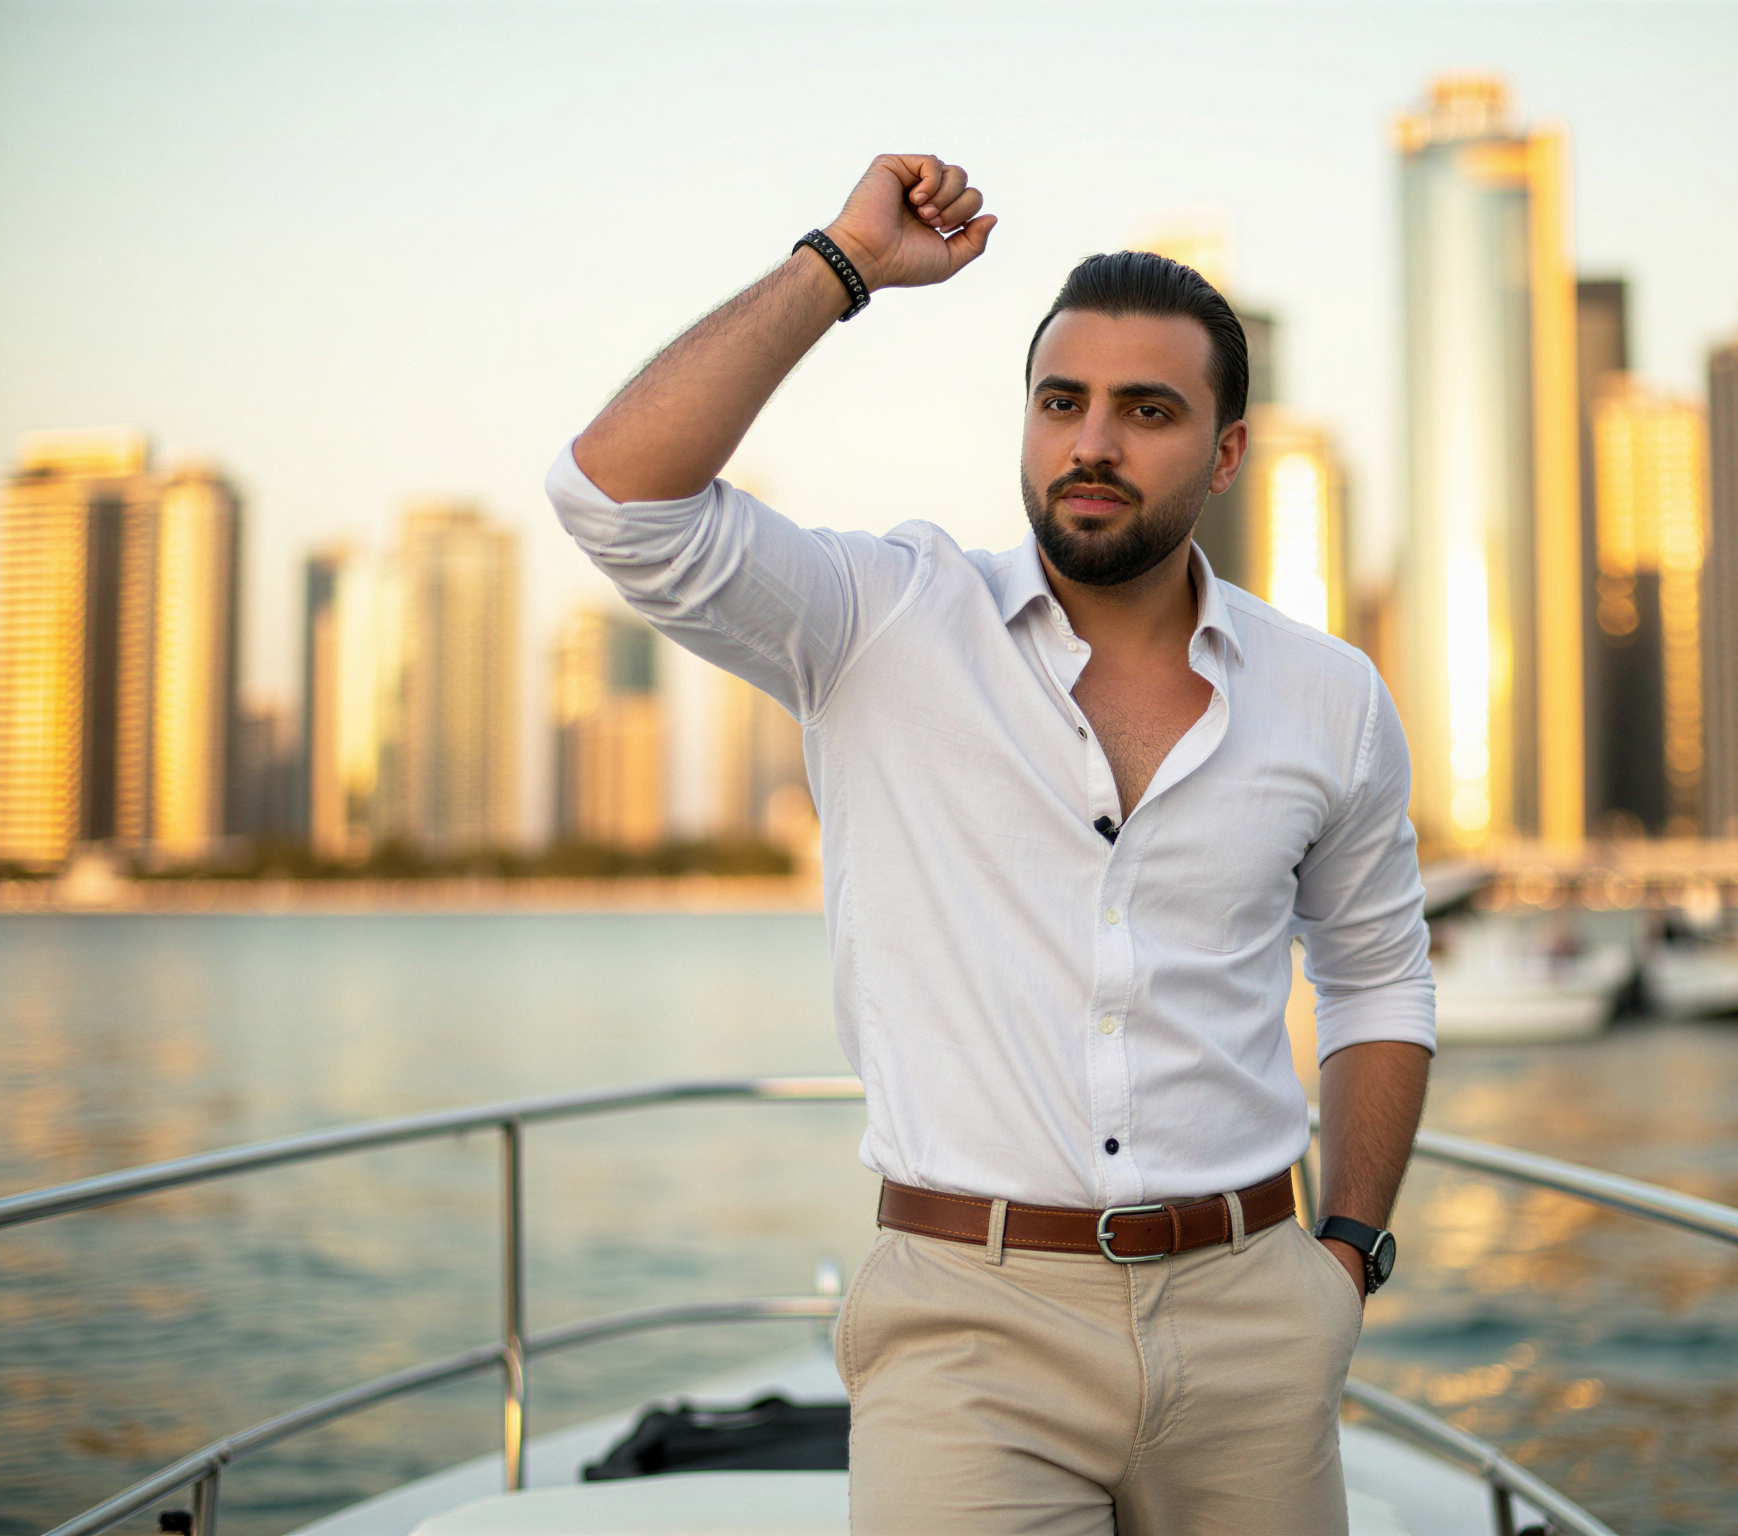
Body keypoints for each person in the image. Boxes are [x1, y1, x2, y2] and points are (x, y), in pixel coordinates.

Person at [550, 153, 1435, 1536]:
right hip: (972, 1327)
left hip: (1256, 1308)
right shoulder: (884, 621)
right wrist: (841, 263)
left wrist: (1349, 1255)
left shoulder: (1328, 694)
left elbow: (1380, 979)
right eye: (1060, 403)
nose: (1092, 443)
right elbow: (615, 495)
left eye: (1149, 412)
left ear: (1225, 451)